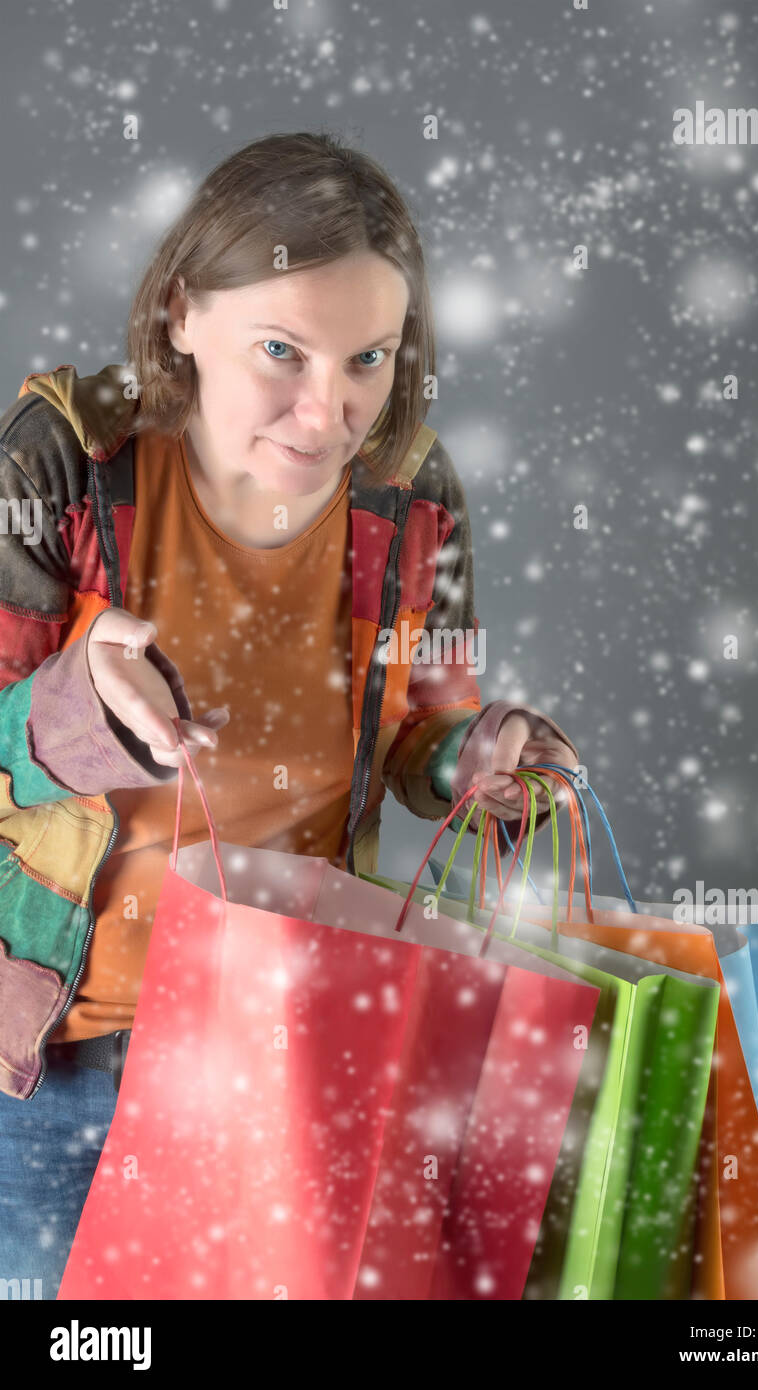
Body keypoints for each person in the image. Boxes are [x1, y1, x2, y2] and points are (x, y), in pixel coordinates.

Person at [0, 130, 580, 1299]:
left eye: (368, 356)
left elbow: (424, 736)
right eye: (283, 349)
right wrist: (79, 708)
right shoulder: (64, 458)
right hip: (61, 1048)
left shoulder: (414, 490)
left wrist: (486, 755)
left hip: (285, 1034)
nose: (332, 408)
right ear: (180, 314)